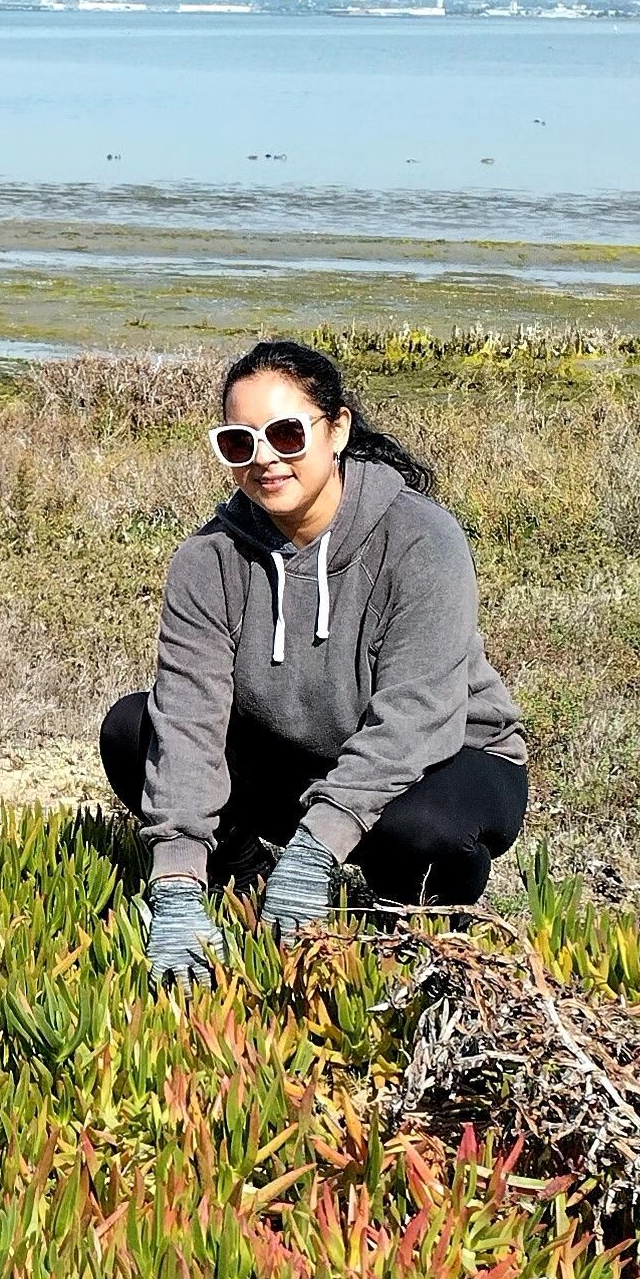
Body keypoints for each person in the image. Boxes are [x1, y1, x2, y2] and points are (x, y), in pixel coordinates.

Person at [102, 336, 527, 978]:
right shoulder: (206, 561)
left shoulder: (421, 538)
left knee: (426, 837)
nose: (266, 459)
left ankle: (396, 925)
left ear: (337, 431)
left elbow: (416, 717)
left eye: (287, 434)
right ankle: (244, 878)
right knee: (136, 730)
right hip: (297, 757)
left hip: (445, 756)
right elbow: (188, 721)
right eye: (241, 443)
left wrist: (318, 848)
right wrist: (176, 885)